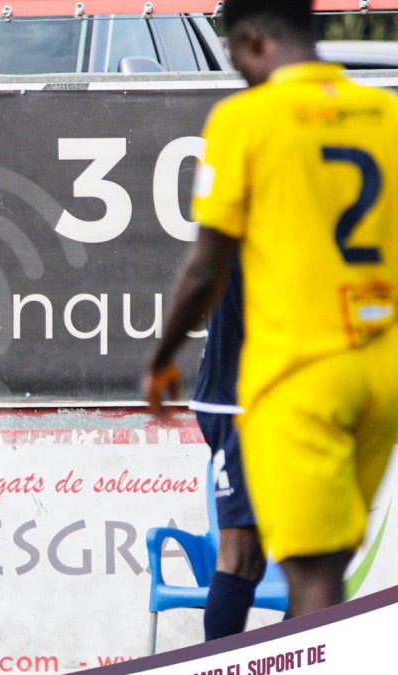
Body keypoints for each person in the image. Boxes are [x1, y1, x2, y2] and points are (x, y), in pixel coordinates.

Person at [143, 0, 398, 617]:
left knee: (299, 570)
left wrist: (160, 358)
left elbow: (206, 265)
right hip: (382, 373)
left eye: (232, 54)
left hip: (299, 372)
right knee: (327, 561)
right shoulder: (386, 114)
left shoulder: (247, 120)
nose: (235, 71)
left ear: (254, 41)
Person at [190, 256, 268, 639]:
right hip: (243, 403)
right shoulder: (264, 207)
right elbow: (201, 269)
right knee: (240, 556)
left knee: (312, 559)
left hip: (255, 399)